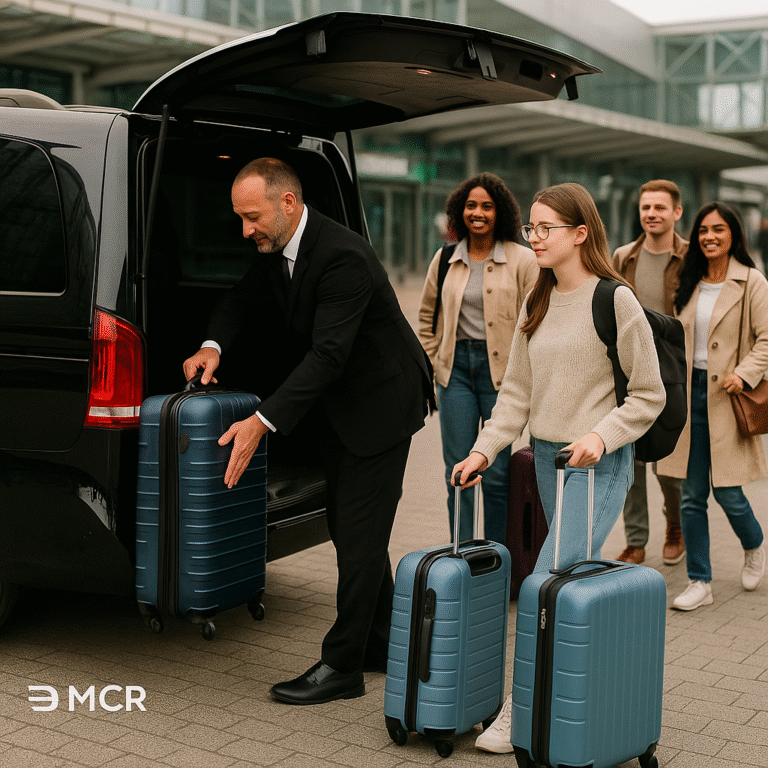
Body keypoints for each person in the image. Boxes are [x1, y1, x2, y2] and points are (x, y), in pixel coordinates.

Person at [182, 157, 434, 705]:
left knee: (360, 538)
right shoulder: (278, 249)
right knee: (352, 530)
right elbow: (239, 298)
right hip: (343, 408)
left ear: (288, 203)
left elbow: (329, 354)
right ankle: (383, 643)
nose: (245, 231)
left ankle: (342, 667)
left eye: (252, 218)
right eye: (240, 219)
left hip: (381, 408)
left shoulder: (341, 255)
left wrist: (261, 422)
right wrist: (213, 345)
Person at [451, 182, 665, 753]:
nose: (535, 238)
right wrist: (484, 449)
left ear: (580, 233)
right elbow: (515, 393)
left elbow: (648, 395)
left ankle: (519, 711)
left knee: (543, 584)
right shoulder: (537, 299)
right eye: (532, 228)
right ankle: (576, 699)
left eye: (546, 228)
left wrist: (601, 435)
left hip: (597, 463)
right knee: (567, 588)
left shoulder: (614, 299)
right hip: (547, 461)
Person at [418, 173, 538, 544]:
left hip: (503, 375)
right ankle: (463, 556)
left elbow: (537, 319)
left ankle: (497, 562)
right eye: (471, 205)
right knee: (458, 472)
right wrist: (433, 366)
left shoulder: (524, 259)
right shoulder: (444, 258)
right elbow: (426, 318)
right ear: (460, 210)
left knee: (499, 474)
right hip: (455, 374)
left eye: (487, 206)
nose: (478, 212)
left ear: (499, 211)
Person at [659, 202, 767, 611]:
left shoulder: (752, 281)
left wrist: (746, 372)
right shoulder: (689, 282)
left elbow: (766, 339)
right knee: (690, 494)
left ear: (733, 234)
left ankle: (754, 543)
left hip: (728, 394)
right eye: (703, 230)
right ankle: (700, 581)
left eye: (718, 230)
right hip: (689, 396)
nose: (709, 237)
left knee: (729, 493)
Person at [612, 179, 687, 566]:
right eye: (646, 208)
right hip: (632, 369)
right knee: (632, 457)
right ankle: (636, 539)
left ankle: (675, 524)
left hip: (675, 371)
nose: (652, 214)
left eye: (660, 207)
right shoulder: (623, 256)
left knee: (669, 461)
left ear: (676, 212)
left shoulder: (692, 257)